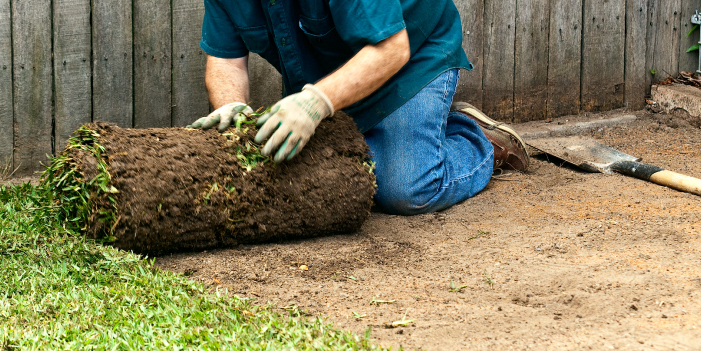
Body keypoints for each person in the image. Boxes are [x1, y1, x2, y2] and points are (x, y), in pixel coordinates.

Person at [188, 0, 529, 216]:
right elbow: (227, 63)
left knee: (405, 190)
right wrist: (231, 104)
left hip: (412, 59)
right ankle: (420, 134)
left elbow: (392, 49)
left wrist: (316, 103)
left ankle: (479, 140)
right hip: (331, 81)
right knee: (303, 173)